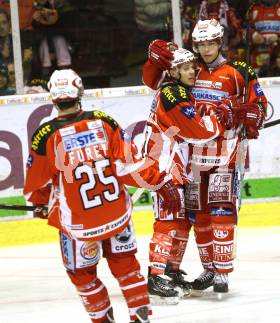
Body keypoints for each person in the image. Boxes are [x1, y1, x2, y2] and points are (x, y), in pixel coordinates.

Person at [23, 69, 183, 322]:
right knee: (129, 271)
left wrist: (42, 205)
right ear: (80, 92)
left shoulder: (45, 136)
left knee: (82, 275)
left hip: (79, 224)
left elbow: (36, 185)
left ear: (52, 97)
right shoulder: (103, 121)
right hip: (118, 215)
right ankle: (141, 319)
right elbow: (127, 167)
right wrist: (160, 181)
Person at [143, 19, 267, 296]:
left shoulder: (239, 71)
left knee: (221, 212)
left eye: (211, 42)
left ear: (220, 41)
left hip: (227, 153)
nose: (206, 48)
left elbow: (261, 108)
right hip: (192, 159)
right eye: (200, 43)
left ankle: (221, 273)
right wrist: (153, 58)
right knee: (196, 215)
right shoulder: (187, 68)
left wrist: (246, 115)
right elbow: (153, 81)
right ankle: (205, 267)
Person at [143, 45, 237, 303]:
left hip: (175, 167)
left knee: (182, 220)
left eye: (192, 66)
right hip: (162, 168)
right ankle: (154, 276)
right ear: (173, 71)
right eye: (185, 68)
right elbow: (198, 130)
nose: (192, 71)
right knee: (168, 220)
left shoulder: (177, 89)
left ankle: (170, 271)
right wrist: (220, 119)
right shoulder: (172, 93)